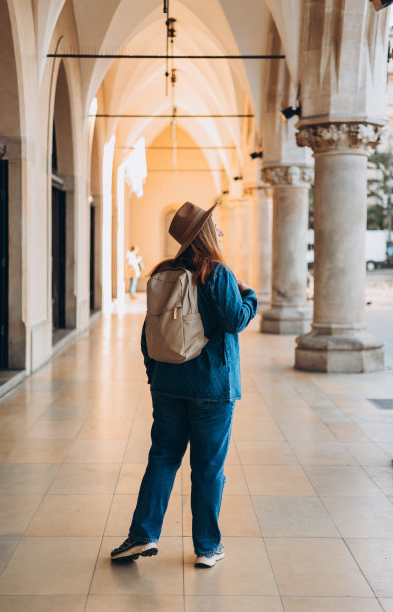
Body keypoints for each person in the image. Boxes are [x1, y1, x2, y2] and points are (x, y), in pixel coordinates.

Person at [111, 200, 257, 568]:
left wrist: (154, 378)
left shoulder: (162, 273)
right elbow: (235, 320)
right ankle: (207, 548)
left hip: (168, 384)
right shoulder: (217, 272)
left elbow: (149, 334)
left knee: (162, 458)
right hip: (211, 388)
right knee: (207, 468)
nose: (220, 229)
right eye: (215, 225)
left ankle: (142, 534)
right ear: (206, 233)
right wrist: (249, 294)